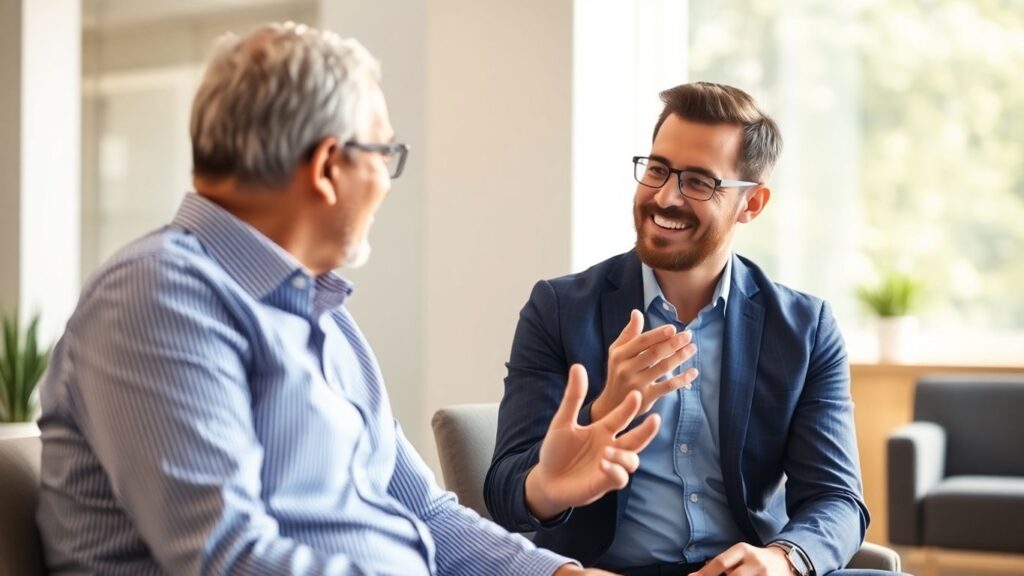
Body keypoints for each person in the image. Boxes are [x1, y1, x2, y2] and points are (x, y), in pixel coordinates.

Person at [35, 22, 618, 576]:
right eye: (384, 156)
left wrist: (563, 572)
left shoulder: (326, 318)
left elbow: (426, 514)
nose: (387, 185)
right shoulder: (157, 300)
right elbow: (231, 558)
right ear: (326, 166)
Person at [485, 82, 893, 576]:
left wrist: (782, 561)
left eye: (699, 182)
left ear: (753, 204)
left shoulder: (804, 328)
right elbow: (505, 493)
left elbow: (837, 499)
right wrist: (604, 413)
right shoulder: (558, 309)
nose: (665, 196)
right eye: (657, 169)